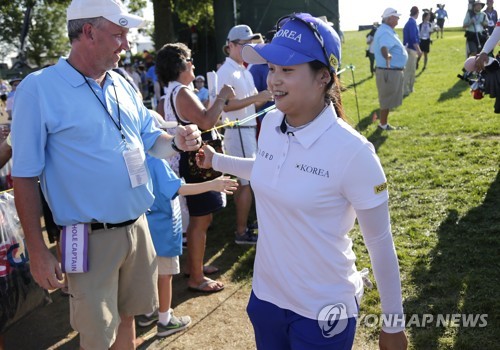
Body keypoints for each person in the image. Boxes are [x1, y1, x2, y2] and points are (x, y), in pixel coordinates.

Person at [197, 12, 407, 350]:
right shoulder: (274, 123)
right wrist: (217, 160)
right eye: (273, 69)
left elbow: (380, 242)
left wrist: (393, 322)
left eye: (288, 70)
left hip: (324, 309)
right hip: (266, 299)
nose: (273, 80)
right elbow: (268, 170)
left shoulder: (354, 153)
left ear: (323, 77)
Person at [10, 1, 202, 349]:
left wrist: (176, 141)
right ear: (88, 33)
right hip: (86, 238)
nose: (126, 44)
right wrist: (37, 250)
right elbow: (23, 176)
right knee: (98, 336)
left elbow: (149, 139)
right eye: (118, 35)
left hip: (137, 225)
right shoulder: (38, 89)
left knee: (129, 320)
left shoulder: (121, 82)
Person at [155, 42, 235, 293]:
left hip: (181, 164)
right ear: (181, 65)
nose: (194, 64)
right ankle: (196, 277)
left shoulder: (167, 95)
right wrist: (222, 95)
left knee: (197, 220)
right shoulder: (183, 92)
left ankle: (193, 267)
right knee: (200, 222)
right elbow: (207, 121)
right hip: (194, 165)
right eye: (190, 59)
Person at [136, 138, 238, 336]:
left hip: (146, 229)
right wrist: (213, 184)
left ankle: (149, 311)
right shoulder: (157, 162)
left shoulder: (135, 160)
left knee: (149, 273)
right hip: (163, 232)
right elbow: (178, 188)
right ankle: (165, 319)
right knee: (165, 276)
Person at [217, 24, 273, 243]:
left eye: (251, 43)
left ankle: (244, 226)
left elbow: (250, 106)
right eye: (244, 44)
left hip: (247, 129)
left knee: (247, 181)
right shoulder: (227, 71)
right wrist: (258, 97)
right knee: (246, 182)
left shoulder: (243, 70)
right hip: (237, 130)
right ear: (230, 45)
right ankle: (241, 232)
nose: (249, 47)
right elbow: (226, 105)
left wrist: (266, 99)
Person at [373, 8, 408, 130]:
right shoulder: (385, 32)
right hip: (388, 71)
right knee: (386, 99)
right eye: (396, 17)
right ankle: (383, 125)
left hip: (390, 71)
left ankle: (384, 123)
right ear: (389, 18)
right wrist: (386, 55)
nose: (398, 18)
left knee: (387, 99)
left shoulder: (387, 30)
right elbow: (384, 47)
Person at [403, 6, 423, 97]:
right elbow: (413, 38)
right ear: (417, 13)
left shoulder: (410, 22)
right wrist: (419, 50)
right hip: (411, 49)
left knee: (412, 70)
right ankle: (405, 89)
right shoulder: (412, 23)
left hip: (410, 49)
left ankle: (410, 88)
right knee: (409, 70)